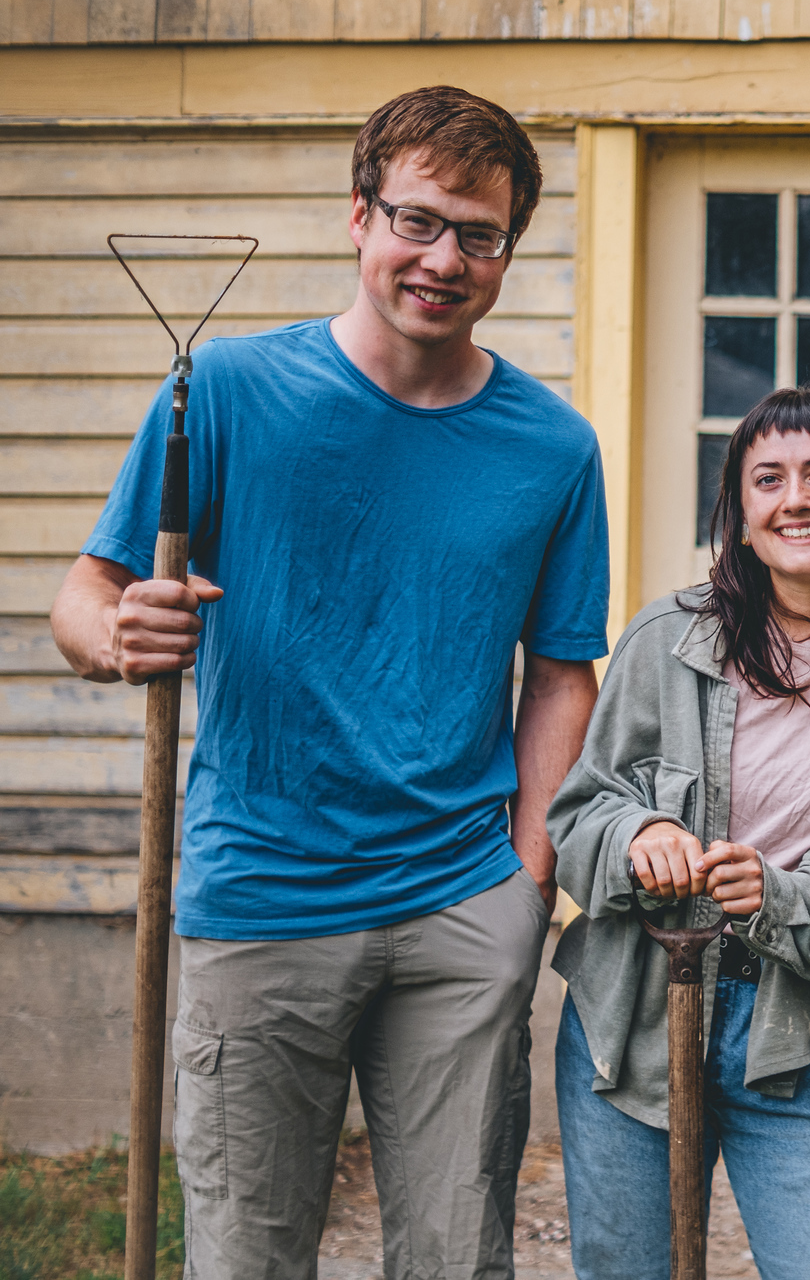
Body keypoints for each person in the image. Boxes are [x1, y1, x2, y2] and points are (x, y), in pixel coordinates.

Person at [49, 86, 608, 1276]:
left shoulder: (552, 447)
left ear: (509, 249)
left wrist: (526, 883)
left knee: (457, 1256)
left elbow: (562, 674)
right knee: (247, 1254)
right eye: (417, 220)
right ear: (358, 217)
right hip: (261, 895)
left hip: (464, 902)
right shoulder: (229, 394)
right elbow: (84, 597)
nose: (443, 258)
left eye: (479, 234)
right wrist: (118, 637)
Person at [547, 385, 810, 1279]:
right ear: (740, 515)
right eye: (769, 479)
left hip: (804, 1036)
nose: (797, 499)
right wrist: (638, 834)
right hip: (633, 1015)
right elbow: (578, 810)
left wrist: (777, 896)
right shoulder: (666, 638)